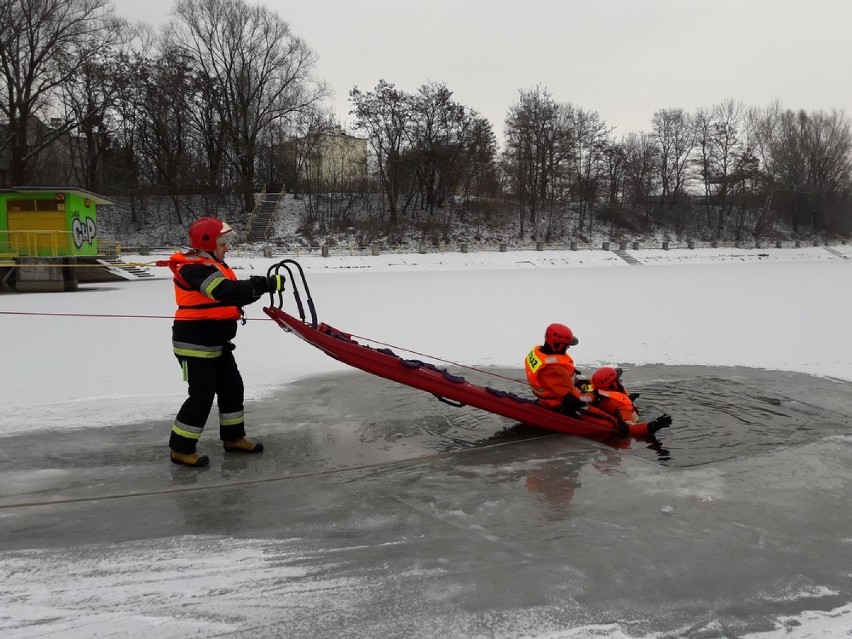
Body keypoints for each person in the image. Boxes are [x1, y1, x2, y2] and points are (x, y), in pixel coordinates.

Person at [167, 216, 285, 467]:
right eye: (223, 243)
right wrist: (262, 284)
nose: (227, 248)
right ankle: (180, 448)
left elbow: (231, 297)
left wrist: (260, 288)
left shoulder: (211, 266)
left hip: (217, 342)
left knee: (233, 388)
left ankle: (233, 438)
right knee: (202, 395)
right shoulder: (194, 268)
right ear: (207, 243)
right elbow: (224, 292)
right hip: (195, 343)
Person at [524, 323, 596, 415]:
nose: (568, 347)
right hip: (556, 402)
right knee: (597, 404)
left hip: (554, 388)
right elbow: (572, 399)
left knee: (590, 384)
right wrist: (593, 395)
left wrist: (575, 378)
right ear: (558, 345)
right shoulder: (554, 369)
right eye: (567, 345)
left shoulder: (539, 352)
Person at [589, 366, 672, 436]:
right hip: (623, 439)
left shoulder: (596, 393)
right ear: (612, 385)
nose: (620, 381)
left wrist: (629, 398)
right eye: (618, 380)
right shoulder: (620, 406)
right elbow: (628, 427)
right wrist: (653, 426)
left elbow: (609, 400)